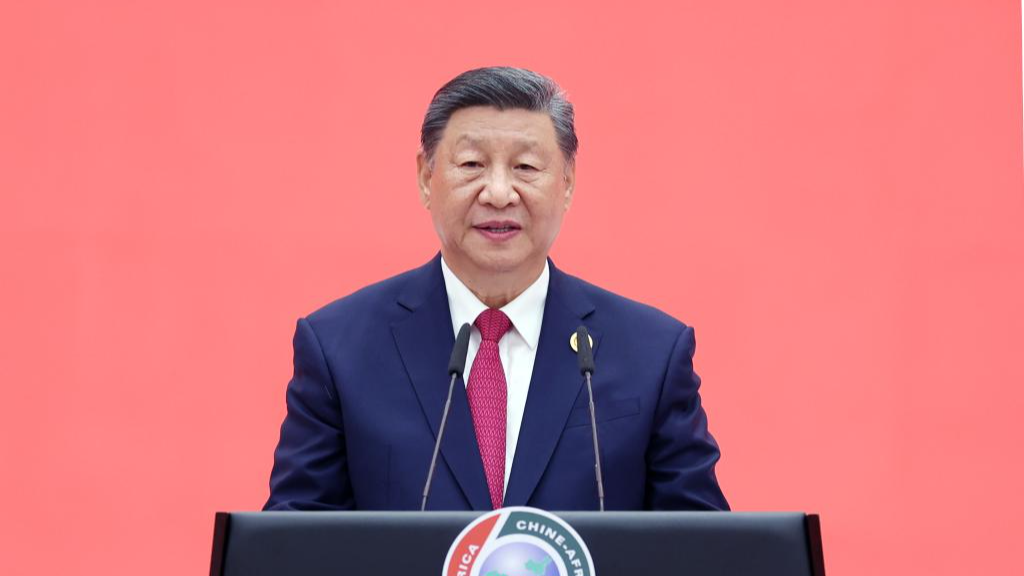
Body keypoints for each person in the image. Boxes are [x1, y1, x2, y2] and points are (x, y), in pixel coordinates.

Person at [264, 67, 728, 511]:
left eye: (526, 166)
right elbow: (294, 540)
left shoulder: (652, 352)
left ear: (567, 183)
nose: (499, 192)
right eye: (471, 164)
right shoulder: (340, 348)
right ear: (427, 178)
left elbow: (701, 547)